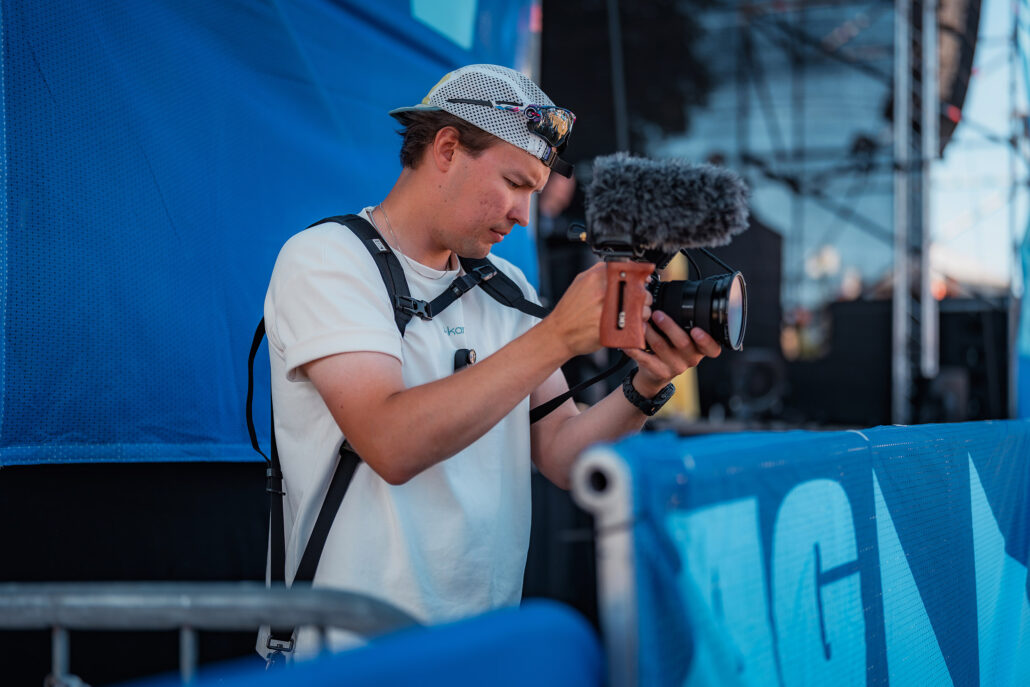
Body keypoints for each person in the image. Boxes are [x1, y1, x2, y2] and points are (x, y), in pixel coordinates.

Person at [259, 64, 721, 655]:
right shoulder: (327, 258)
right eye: (516, 182)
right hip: (353, 655)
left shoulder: (506, 283)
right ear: (447, 148)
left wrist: (649, 383)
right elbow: (390, 443)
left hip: (483, 644)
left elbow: (561, 455)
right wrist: (555, 336)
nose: (526, 214)